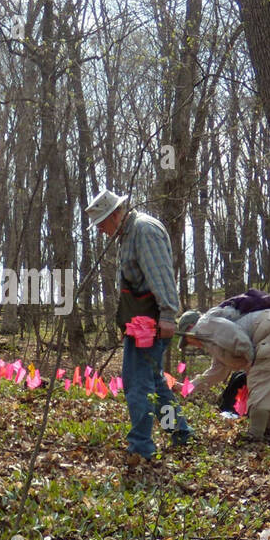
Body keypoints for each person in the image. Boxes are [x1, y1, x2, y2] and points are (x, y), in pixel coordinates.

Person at [86, 188, 192, 464]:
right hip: (140, 324)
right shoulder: (128, 234)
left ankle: (141, 447)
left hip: (152, 325)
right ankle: (179, 431)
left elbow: (160, 275)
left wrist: (168, 314)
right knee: (154, 382)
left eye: (101, 224)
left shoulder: (144, 231)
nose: (100, 231)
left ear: (116, 215)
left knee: (137, 383)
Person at [176, 301, 270, 443]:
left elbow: (238, 337)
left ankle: (255, 436)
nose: (191, 345)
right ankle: (269, 431)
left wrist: (249, 358)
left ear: (191, 328)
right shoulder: (213, 338)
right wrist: (186, 388)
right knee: (264, 385)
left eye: (187, 340)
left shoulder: (204, 325)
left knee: (259, 381)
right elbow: (216, 373)